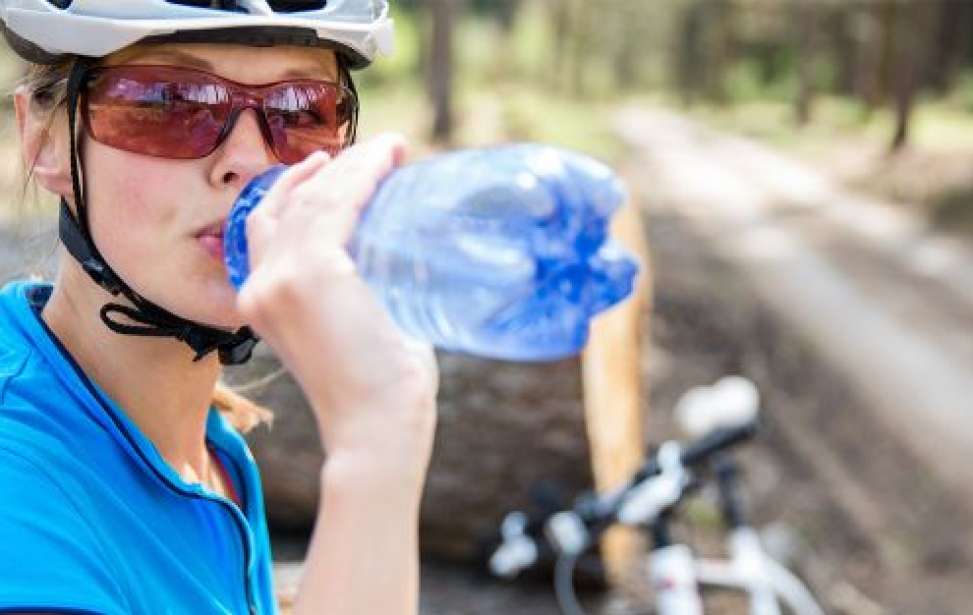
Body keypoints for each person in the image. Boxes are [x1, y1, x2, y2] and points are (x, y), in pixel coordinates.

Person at [0, 1, 438, 614]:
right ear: (43, 141)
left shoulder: (211, 449)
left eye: (300, 110)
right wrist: (374, 446)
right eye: (171, 105)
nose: (253, 161)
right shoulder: (16, 488)